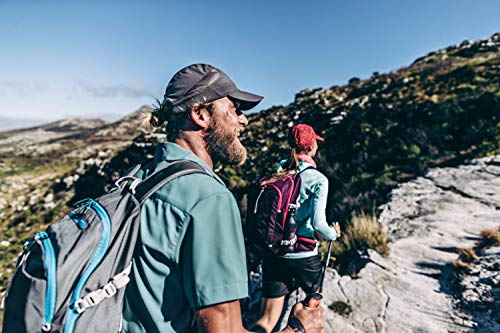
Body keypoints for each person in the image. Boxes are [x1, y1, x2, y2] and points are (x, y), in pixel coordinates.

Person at [121, 64, 324, 333]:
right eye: (235, 109)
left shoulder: (135, 178)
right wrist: (299, 328)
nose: (244, 120)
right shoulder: (208, 199)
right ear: (200, 114)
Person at [254, 124, 341, 333]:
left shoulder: (279, 173)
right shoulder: (319, 180)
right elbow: (319, 224)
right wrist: (334, 234)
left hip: (274, 252)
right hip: (304, 254)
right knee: (312, 310)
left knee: (266, 320)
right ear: (312, 147)